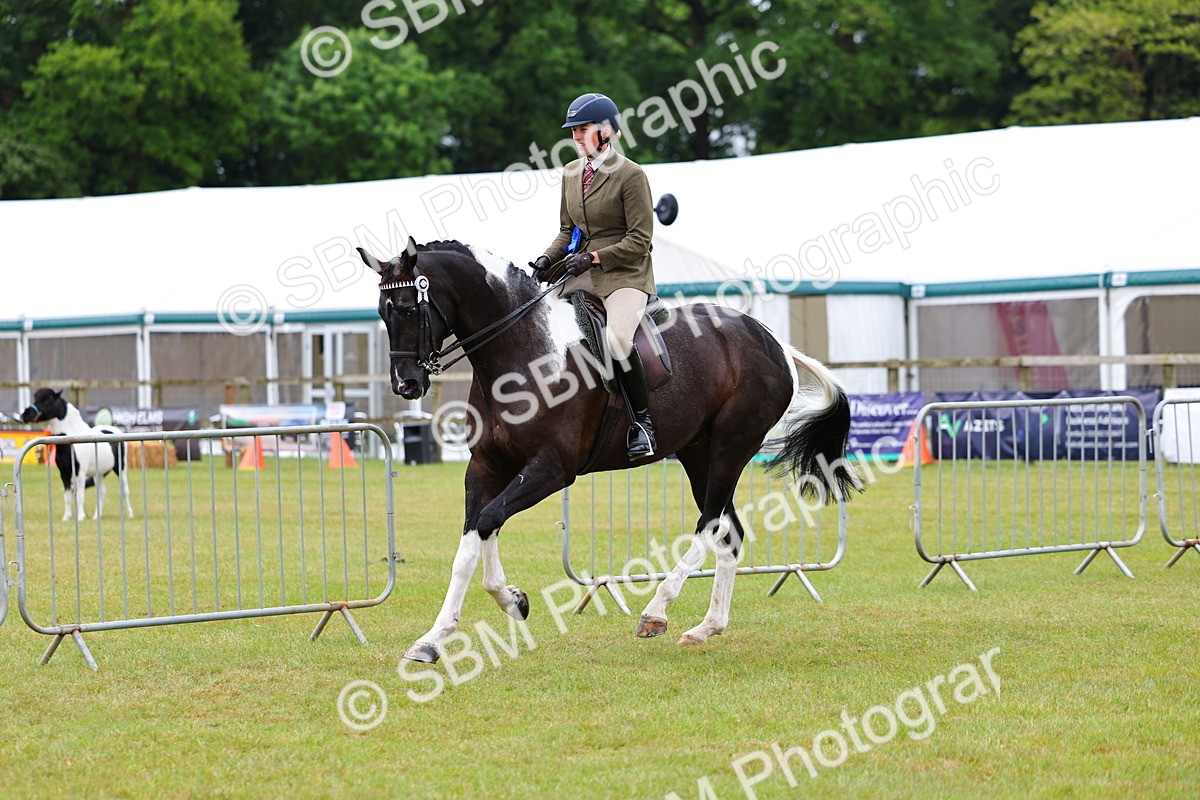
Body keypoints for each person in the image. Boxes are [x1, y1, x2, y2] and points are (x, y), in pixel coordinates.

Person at [531, 92, 657, 459]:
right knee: (537, 326)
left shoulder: (631, 175)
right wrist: (545, 258)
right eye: (573, 131)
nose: (575, 137)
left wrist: (595, 257)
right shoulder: (572, 173)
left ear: (606, 131)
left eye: (582, 130)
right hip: (580, 271)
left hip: (625, 274)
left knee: (618, 338)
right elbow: (566, 230)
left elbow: (641, 240)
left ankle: (643, 425)